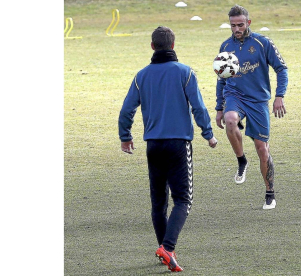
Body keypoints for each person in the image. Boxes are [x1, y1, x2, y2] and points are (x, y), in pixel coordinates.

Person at [118, 26, 218, 272]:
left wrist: (125, 136)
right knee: (183, 199)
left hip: (153, 145)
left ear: (152, 46)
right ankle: (168, 247)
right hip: (178, 144)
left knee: (158, 203)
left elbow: (126, 110)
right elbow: (199, 107)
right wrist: (208, 134)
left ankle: (164, 251)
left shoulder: (141, 76)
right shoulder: (185, 72)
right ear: (173, 46)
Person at [215, 5, 288, 210]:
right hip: (234, 95)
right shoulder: (225, 46)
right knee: (230, 121)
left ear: (248, 22)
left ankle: (269, 192)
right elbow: (222, 78)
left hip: (257, 101)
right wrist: (219, 108)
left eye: (240, 24)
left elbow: (282, 69)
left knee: (262, 149)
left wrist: (279, 96)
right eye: (233, 25)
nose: (236, 29)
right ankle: (241, 161)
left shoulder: (262, 43)